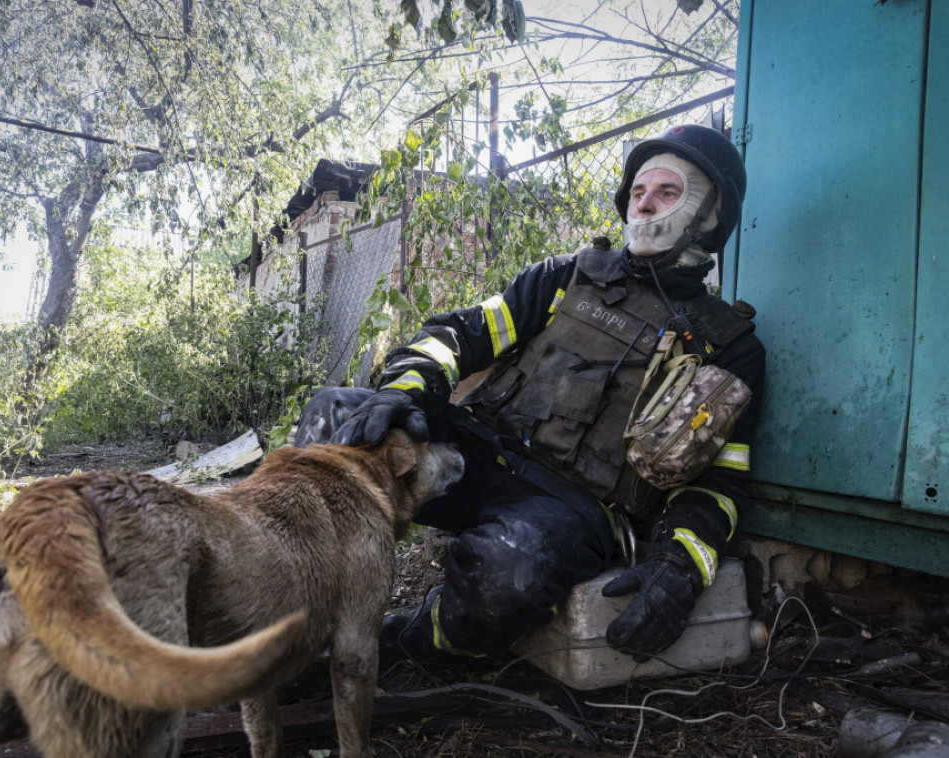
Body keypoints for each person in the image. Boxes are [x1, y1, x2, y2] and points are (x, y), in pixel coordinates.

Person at [297, 124, 766, 663]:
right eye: (637, 191)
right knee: (335, 414)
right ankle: (294, 612)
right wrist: (405, 390)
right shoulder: (568, 276)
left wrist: (681, 566)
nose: (644, 206)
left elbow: (721, 486)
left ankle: (407, 640)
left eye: (666, 192)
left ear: (710, 214)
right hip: (473, 456)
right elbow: (458, 336)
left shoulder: (728, 346)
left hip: (569, 509)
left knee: (505, 578)